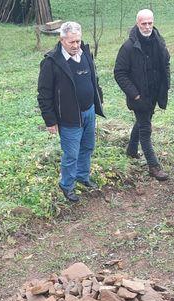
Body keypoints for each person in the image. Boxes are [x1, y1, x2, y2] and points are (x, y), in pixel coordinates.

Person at [38, 21, 104, 202]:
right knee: (71, 154)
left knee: (88, 147)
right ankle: (67, 185)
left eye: (78, 41)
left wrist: (98, 99)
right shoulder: (51, 62)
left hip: (89, 111)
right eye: (71, 42)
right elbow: (44, 95)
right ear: (61, 40)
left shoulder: (85, 53)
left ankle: (83, 176)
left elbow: (94, 78)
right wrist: (50, 121)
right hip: (69, 116)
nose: (76, 45)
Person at [114, 9, 170, 181]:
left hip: (154, 94)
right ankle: (154, 166)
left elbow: (165, 63)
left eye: (150, 23)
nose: (147, 27)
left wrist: (164, 87)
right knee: (146, 129)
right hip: (139, 96)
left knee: (142, 122)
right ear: (137, 23)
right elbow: (119, 73)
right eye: (143, 23)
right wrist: (134, 94)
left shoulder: (158, 41)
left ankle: (131, 150)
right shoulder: (128, 46)